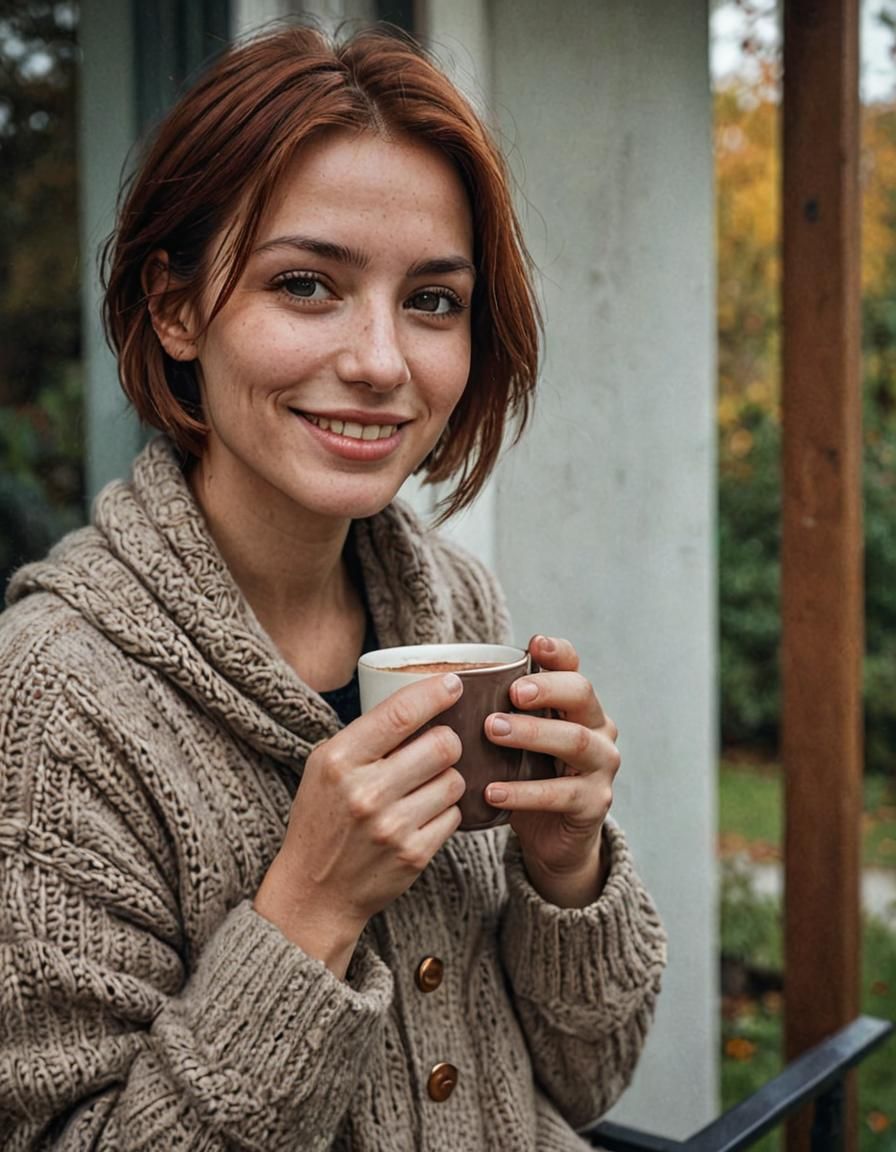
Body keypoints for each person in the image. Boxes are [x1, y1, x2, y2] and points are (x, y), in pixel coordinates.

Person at [0, 23, 667, 1151]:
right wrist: (308, 909)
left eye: (433, 301)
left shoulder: (453, 610)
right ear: (176, 310)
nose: (380, 360)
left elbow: (587, 1077)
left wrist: (569, 868)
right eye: (306, 285)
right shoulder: (57, 703)